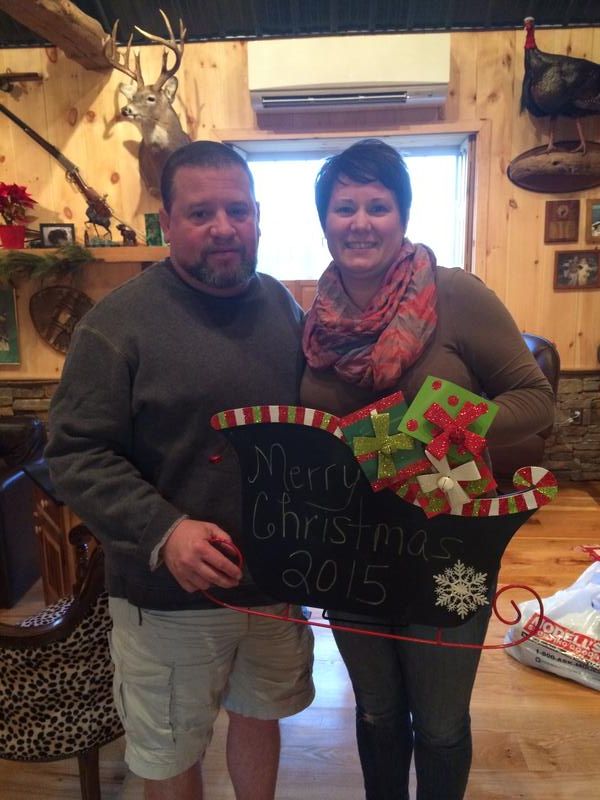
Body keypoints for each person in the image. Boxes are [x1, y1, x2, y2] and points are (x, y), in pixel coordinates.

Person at [45, 140, 315, 800]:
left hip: (274, 584)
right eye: (200, 213)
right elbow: (75, 453)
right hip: (167, 598)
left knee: (260, 715)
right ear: (167, 222)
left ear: (257, 216)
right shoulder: (115, 325)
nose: (223, 227)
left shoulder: (283, 307)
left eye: (237, 210)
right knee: (169, 750)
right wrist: (165, 531)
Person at [300, 138, 555, 800]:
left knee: (439, 724)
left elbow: (535, 400)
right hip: (350, 546)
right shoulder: (313, 320)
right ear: (324, 220)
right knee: (377, 712)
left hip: (448, 543)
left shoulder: (455, 294)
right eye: (344, 207)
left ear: (403, 216)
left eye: (378, 206)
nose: (360, 222)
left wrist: (434, 427)